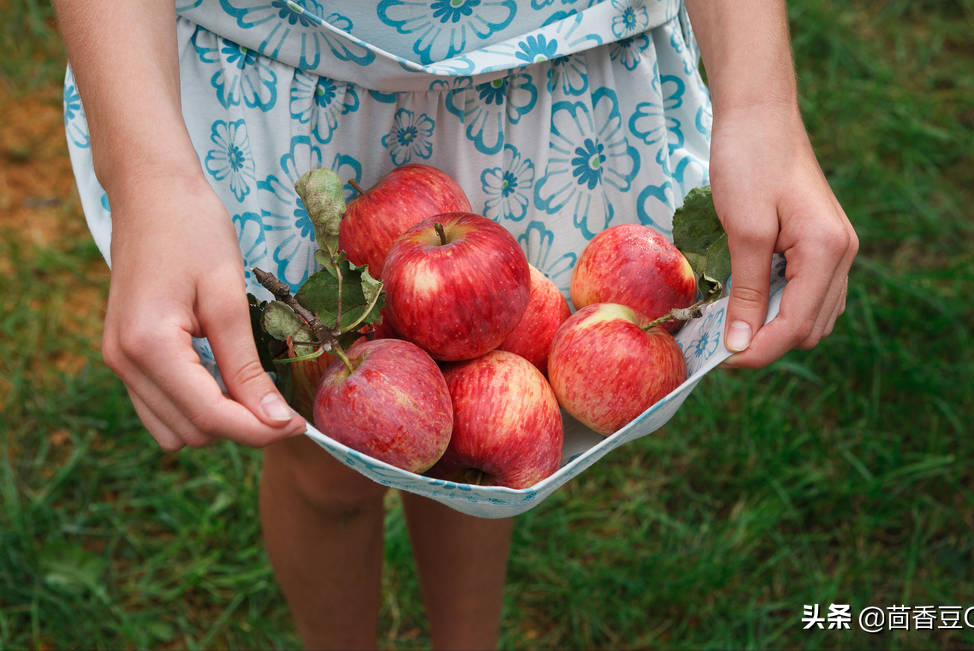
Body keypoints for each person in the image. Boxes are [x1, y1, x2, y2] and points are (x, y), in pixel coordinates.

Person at [55, 1, 858, 649]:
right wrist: (146, 174)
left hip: (540, 64)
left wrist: (761, 104)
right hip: (288, 59)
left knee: (483, 418)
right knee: (324, 462)